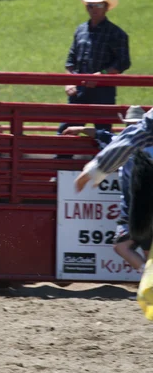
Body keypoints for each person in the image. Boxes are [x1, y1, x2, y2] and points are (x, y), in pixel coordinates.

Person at [64, 106, 151, 271]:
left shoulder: (123, 143)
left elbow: (105, 137)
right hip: (134, 209)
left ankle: (148, 277)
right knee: (134, 248)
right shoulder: (125, 142)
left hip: (137, 208)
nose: (131, 127)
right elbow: (101, 135)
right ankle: (147, 277)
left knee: (126, 246)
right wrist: (81, 129)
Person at [57, 0, 130, 147]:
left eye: (98, 5)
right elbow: (70, 61)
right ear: (86, 7)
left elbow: (123, 62)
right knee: (66, 130)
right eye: (90, 5)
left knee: (102, 133)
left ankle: (103, 168)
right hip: (79, 90)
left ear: (105, 7)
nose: (94, 9)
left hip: (103, 91)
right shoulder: (80, 30)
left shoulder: (116, 33)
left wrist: (101, 75)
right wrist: (69, 82)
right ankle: (60, 166)